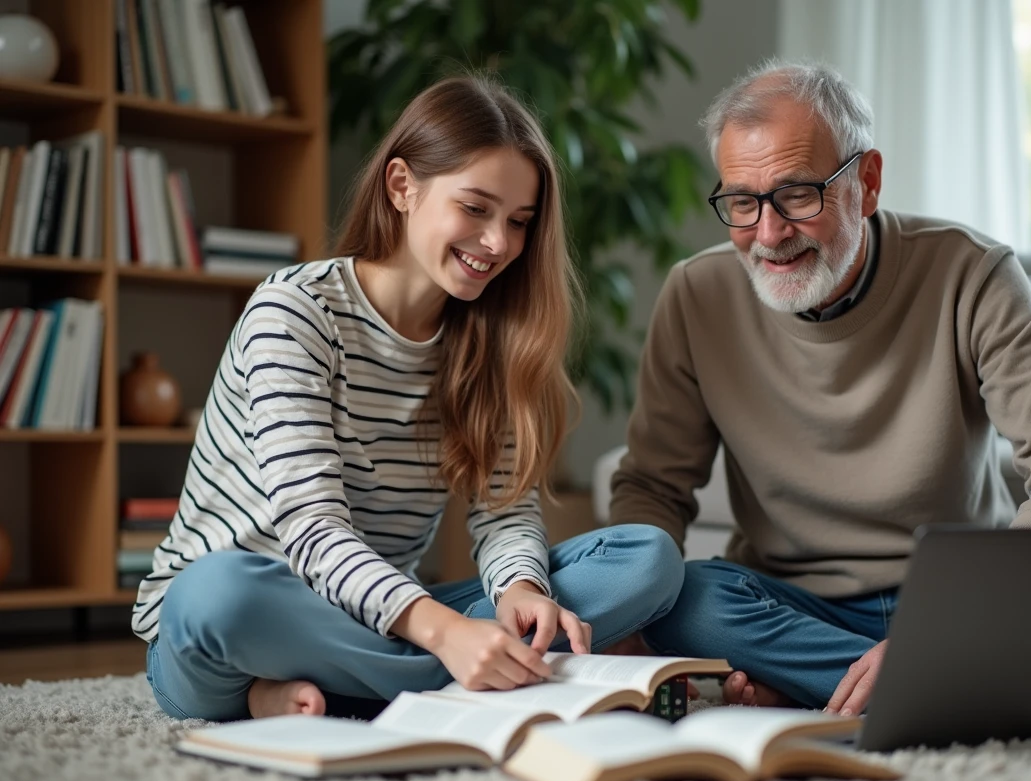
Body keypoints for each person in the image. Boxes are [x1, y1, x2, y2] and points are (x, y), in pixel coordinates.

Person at [610, 60, 1031, 727]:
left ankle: (829, 681)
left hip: (962, 593)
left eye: (798, 194)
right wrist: (628, 602)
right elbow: (652, 486)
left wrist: (964, 621)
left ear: (867, 182)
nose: (768, 234)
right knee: (689, 600)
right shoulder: (695, 294)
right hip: (793, 601)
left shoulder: (972, 271)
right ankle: (1002, 679)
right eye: (742, 201)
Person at [132, 75, 684, 722]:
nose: (499, 243)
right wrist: (448, 634)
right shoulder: (293, 313)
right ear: (402, 187)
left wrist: (522, 589)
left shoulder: (492, 339)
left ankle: (357, 686)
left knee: (648, 560)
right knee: (212, 594)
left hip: (377, 618)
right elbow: (311, 531)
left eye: (518, 222)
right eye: (475, 208)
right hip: (254, 611)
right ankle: (462, 672)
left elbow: (504, 512)